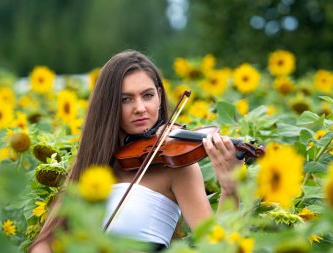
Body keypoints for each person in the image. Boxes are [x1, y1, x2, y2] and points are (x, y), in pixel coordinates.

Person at [29, 50, 241, 253]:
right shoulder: (90, 163)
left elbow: (215, 245)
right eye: (126, 99)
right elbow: (44, 243)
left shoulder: (177, 168)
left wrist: (230, 190)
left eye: (147, 95)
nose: (140, 107)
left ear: (159, 96)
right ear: (109, 105)